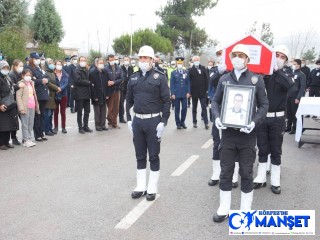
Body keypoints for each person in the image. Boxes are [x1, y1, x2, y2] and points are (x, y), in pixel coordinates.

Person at [211, 44, 268, 222]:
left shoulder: (256, 80)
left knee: (246, 172)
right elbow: (215, 102)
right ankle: (224, 208)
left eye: (241, 55)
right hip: (227, 135)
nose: (237, 58)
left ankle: (245, 211)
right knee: (226, 171)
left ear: (247, 59)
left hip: (247, 135)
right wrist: (217, 117)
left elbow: (264, 105)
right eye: (234, 55)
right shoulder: (224, 79)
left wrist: (254, 122)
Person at [126, 45, 171, 201]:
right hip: (138, 121)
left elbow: (166, 102)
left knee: (153, 156)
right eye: (141, 58)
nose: (143, 60)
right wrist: (128, 118)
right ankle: (140, 186)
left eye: (146, 58)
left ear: (152, 60)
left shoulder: (160, 78)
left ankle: (152, 187)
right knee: (139, 155)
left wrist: (163, 122)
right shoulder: (133, 77)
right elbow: (128, 99)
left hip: (153, 121)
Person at [253, 45, 294, 194]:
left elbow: (290, 85)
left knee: (276, 150)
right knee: (262, 148)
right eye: (277, 55)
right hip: (262, 118)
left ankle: (275, 181)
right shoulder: (263, 75)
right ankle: (260, 177)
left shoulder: (284, 75)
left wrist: (277, 71)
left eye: (282, 57)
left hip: (277, 119)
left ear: (286, 61)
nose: (279, 59)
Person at [25, 52, 49, 142]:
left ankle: (41, 133)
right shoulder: (29, 68)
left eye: (38, 58)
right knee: (37, 116)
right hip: (37, 94)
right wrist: (41, 81)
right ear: (31, 59)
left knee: (42, 115)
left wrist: (46, 80)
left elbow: (47, 77)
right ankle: (37, 134)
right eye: (35, 59)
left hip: (44, 94)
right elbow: (31, 80)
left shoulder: (41, 68)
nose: (37, 60)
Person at [16, 69, 40, 147]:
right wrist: (21, 108)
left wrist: (37, 105)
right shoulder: (21, 84)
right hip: (25, 106)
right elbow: (18, 97)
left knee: (30, 123)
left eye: (30, 75)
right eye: (26, 75)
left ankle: (30, 138)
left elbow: (34, 95)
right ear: (22, 76)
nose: (28, 77)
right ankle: (25, 140)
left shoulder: (31, 83)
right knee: (25, 124)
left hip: (32, 105)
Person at [0, 60, 19, 150]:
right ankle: (1, 143)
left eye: (7, 68)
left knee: (8, 124)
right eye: (4, 68)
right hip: (3, 104)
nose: (6, 70)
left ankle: (7, 142)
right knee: (3, 125)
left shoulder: (7, 78)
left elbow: (11, 88)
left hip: (10, 104)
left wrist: (19, 85)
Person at [285, 59, 306, 134]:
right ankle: (288, 127)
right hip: (288, 95)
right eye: (294, 64)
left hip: (295, 96)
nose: (295, 65)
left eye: (296, 64)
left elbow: (302, 87)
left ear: (300, 65)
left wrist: (298, 97)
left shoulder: (301, 74)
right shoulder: (291, 73)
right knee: (288, 112)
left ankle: (295, 128)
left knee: (294, 113)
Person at [189, 55, 209, 129]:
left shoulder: (203, 68)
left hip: (202, 92)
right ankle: (194, 122)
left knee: (204, 107)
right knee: (194, 108)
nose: (196, 61)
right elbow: (189, 81)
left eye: (198, 60)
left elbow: (206, 79)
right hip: (194, 92)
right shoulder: (190, 70)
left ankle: (206, 123)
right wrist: (189, 92)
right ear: (193, 61)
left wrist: (206, 90)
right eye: (195, 60)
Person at [73, 56, 92, 134]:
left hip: (87, 94)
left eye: (84, 60)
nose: (83, 61)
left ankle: (86, 126)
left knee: (87, 111)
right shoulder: (76, 70)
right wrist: (88, 82)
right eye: (81, 60)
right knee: (80, 112)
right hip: (79, 94)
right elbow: (78, 81)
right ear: (79, 61)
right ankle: (80, 127)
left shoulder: (87, 70)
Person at [89, 58, 109, 131]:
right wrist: (94, 96)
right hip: (96, 95)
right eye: (100, 63)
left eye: (102, 63)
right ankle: (98, 126)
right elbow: (91, 86)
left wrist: (107, 94)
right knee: (97, 111)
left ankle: (103, 125)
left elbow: (107, 84)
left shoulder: (105, 72)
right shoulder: (92, 73)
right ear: (96, 64)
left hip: (104, 94)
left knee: (104, 111)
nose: (101, 64)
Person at [170, 57, 190, 129]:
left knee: (184, 108)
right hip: (176, 94)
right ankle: (178, 123)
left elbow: (188, 83)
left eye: (181, 63)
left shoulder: (186, 72)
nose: (179, 64)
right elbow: (172, 84)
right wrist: (172, 93)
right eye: (178, 63)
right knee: (177, 109)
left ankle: (182, 122)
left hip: (184, 94)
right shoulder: (173, 73)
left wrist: (188, 92)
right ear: (176, 64)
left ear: (183, 63)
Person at [105, 54, 123, 129]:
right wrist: (107, 82)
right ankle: (109, 120)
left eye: (113, 59)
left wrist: (114, 82)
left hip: (117, 90)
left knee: (116, 108)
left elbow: (122, 78)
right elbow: (104, 79)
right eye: (110, 60)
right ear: (108, 60)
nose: (112, 61)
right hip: (109, 91)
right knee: (110, 109)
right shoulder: (106, 69)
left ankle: (114, 123)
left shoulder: (119, 68)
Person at [44, 58, 61, 136]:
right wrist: (56, 88)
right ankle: (47, 130)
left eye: (52, 62)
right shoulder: (46, 73)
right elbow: (48, 83)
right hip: (48, 95)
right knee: (47, 113)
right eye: (50, 63)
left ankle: (50, 128)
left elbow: (54, 82)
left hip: (53, 95)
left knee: (51, 114)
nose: (52, 64)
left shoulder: (52, 72)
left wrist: (57, 88)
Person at [9, 59, 24, 145]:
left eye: (22, 66)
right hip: (14, 100)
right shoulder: (12, 75)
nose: (21, 68)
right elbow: (11, 87)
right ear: (15, 67)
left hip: (21, 100)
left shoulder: (20, 74)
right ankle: (14, 138)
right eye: (20, 66)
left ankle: (25, 136)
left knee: (23, 118)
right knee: (15, 120)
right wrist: (18, 85)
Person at [53, 60, 69, 134]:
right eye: (57, 64)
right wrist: (57, 89)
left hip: (63, 95)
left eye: (60, 64)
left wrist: (60, 88)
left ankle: (63, 127)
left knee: (63, 112)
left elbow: (66, 83)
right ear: (55, 65)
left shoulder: (65, 74)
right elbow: (51, 83)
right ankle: (55, 127)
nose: (59, 66)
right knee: (55, 112)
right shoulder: (53, 74)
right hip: (55, 95)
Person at [119, 56, 134, 123]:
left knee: (129, 103)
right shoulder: (120, 68)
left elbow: (132, 77)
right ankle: (121, 117)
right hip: (122, 88)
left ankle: (129, 116)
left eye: (127, 60)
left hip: (129, 88)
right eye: (125, 60)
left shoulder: (131, 68)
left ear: (129, 60)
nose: (126, 61)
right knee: (121, 103)